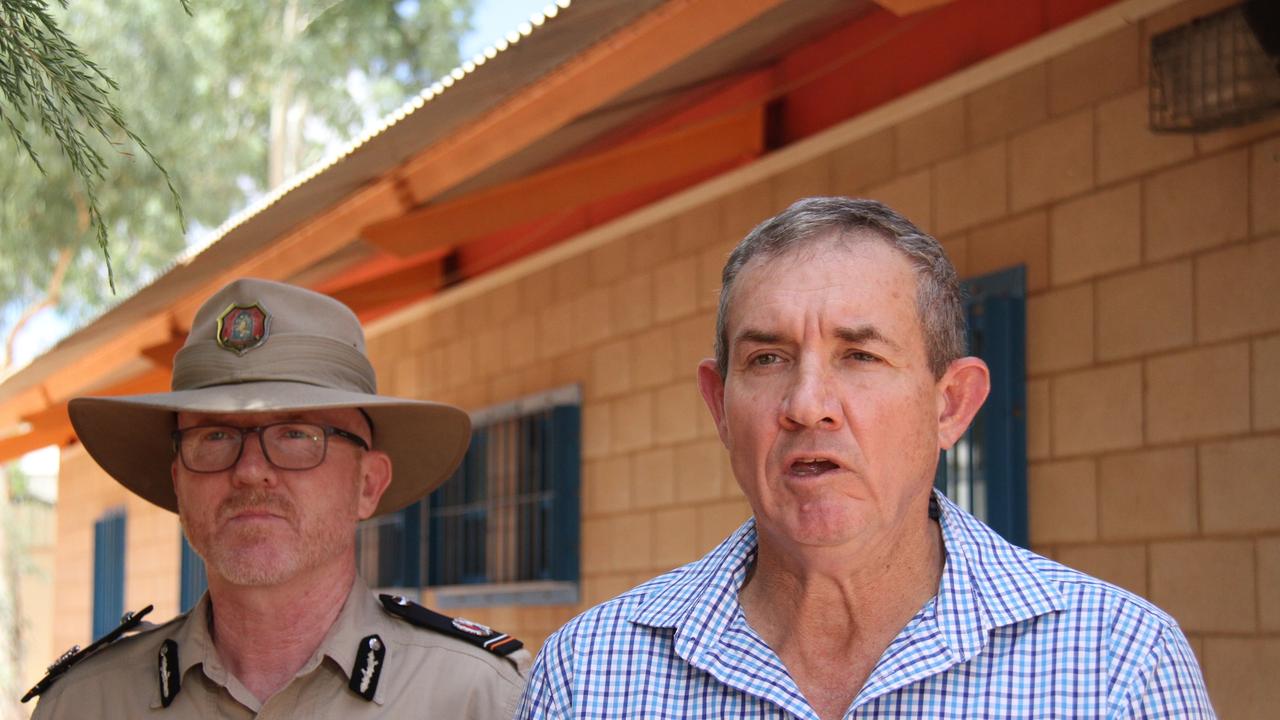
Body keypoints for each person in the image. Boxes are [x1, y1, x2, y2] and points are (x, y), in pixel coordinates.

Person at [516, 197, 1214, 718]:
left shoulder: (1117, 664)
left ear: (952, 405)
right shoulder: (592, 675)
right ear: (720, 404)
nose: (807, 403)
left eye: (860, 356)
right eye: (767, 358)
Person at [25, 278, 528, 718]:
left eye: (296, 434)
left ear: (368, 484)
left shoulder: (482, 700)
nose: (249, 471)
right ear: (179, 482)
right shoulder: (86, 705)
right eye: (215, 436)